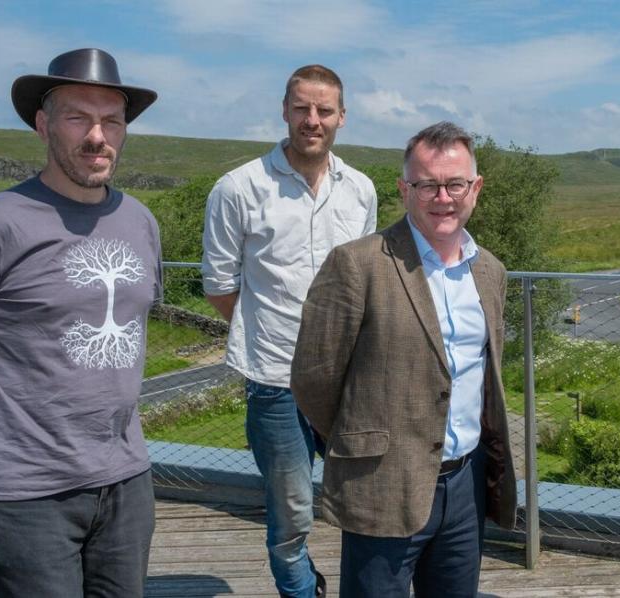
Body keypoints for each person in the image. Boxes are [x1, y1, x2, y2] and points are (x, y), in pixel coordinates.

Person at [290, 121, 517, 597]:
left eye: (455, 183)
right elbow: (314, 378)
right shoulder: (357, 264)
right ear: (404, 189)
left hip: (466, 484)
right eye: (427, 184)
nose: (443, 197)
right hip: (383, 481)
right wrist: (363, 441)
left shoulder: (491, 271)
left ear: (475, 188)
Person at [0, 48, 161, 597]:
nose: (97, 136)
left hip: (127, 482)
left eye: (111, 120)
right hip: (22, 494)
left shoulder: (139, 221)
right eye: (77, 117)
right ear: (43, 125)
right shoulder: (0, 223)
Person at [201, 64, 376, 597]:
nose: (312, 120)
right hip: (273, 379)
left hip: (347, 380)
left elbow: (365, 281)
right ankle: (302, 590)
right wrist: (265, 332)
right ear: (284, 110)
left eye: (324, 110)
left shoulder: (361, 190)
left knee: (364, 500)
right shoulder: (238, 188)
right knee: (293, 510)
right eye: (302, 107)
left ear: (341, 117)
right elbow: (219, 286)